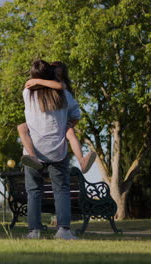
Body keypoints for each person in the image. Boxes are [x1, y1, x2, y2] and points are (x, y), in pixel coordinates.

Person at [20, 59, 77, 240]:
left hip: (33, 150)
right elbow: (76, 115)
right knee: (61, 190)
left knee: (34, 191)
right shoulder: (64, 95)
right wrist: (66, 124)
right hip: (57, 149)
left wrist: (36, 82)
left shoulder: (27, 93)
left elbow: (32, 85)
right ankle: (64, 230)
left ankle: (34, 231)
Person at [17, 61, 96, 173]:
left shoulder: (61, 89)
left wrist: (37, 80)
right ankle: (33, 157)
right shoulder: (36, 87)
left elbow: (60, 85)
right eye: (56, 74)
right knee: (21, 127)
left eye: (60, 75)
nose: (57, 77)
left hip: (60, 126)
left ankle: (82, 161)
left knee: (70, 131)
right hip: (57, 140)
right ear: (50, 74)